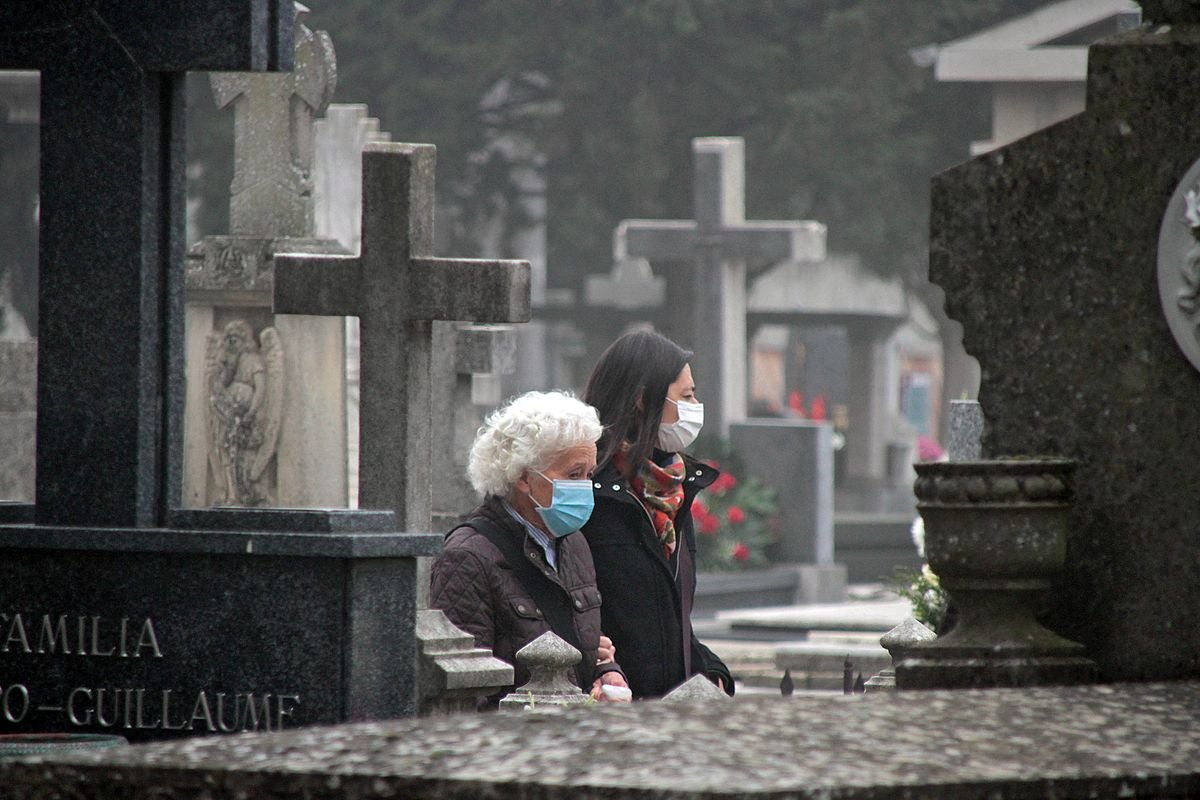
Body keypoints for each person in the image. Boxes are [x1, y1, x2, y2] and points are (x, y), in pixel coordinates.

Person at [430, 390, 630, 708]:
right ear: (524, 478)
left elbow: (585, 638)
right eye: (573, 474)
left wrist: (607, 672)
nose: (585, 486)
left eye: (589, 474)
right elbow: (465, 692)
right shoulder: (467, 558)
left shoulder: (572, 543)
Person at [581, 330, 734, 698]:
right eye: (686, 396)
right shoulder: (588, 496)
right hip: (613, 705)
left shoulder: (673, 493)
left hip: (669, 712)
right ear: (640, 399)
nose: (696, 404)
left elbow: (671, 621)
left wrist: (711, 671)